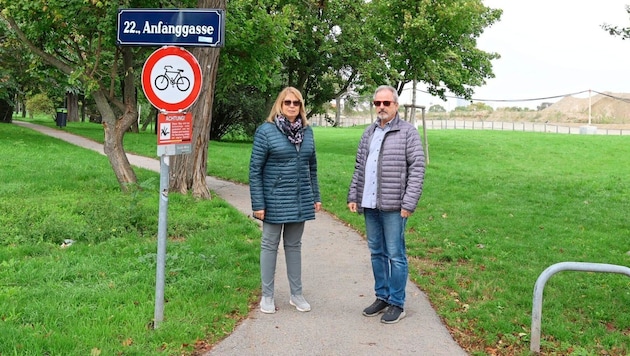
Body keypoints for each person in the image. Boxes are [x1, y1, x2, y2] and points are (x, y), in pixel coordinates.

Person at [347, 85, 426, 324]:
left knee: (395, 254)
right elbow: (360, 167)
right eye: (377, 103)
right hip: (370, 203)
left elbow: (418, 169)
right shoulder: (368, 132)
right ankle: (382, 296)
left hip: (394, 205)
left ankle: (397, 303)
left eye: (386, 103)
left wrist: (409, 202)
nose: (381, 107)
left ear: (395, 105)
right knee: (376, 253)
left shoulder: (408, 132)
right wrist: (354, 195)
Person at [249, 86, 322, 314]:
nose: (292, 106)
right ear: (280, 105)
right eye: (288, 102)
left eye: (296, 103)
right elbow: (255, 170)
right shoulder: (266, 131)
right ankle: (267, 296)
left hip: (299, 199)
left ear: (301, 106)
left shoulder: (307, 132)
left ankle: (296, 294)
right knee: (269, 246)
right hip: (273, 200)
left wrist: (315, 196)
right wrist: (258, 203)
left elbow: (312, 167)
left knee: (294, 246)